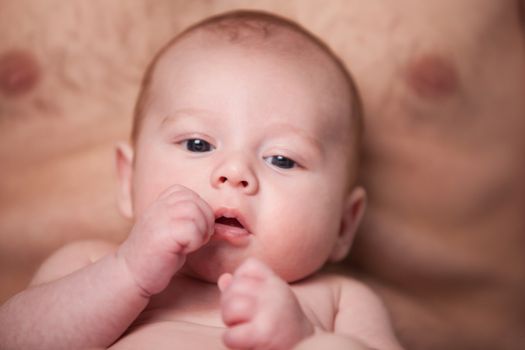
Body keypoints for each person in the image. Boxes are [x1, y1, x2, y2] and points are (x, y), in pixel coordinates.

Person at [0, 11, 403, 350]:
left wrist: (304, 337)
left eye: (282, 158)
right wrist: (128, 273)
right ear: (127, 180)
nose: (234, 173)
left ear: (344, 224)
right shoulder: (90, 264)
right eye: (197, 143)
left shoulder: (340, 300)